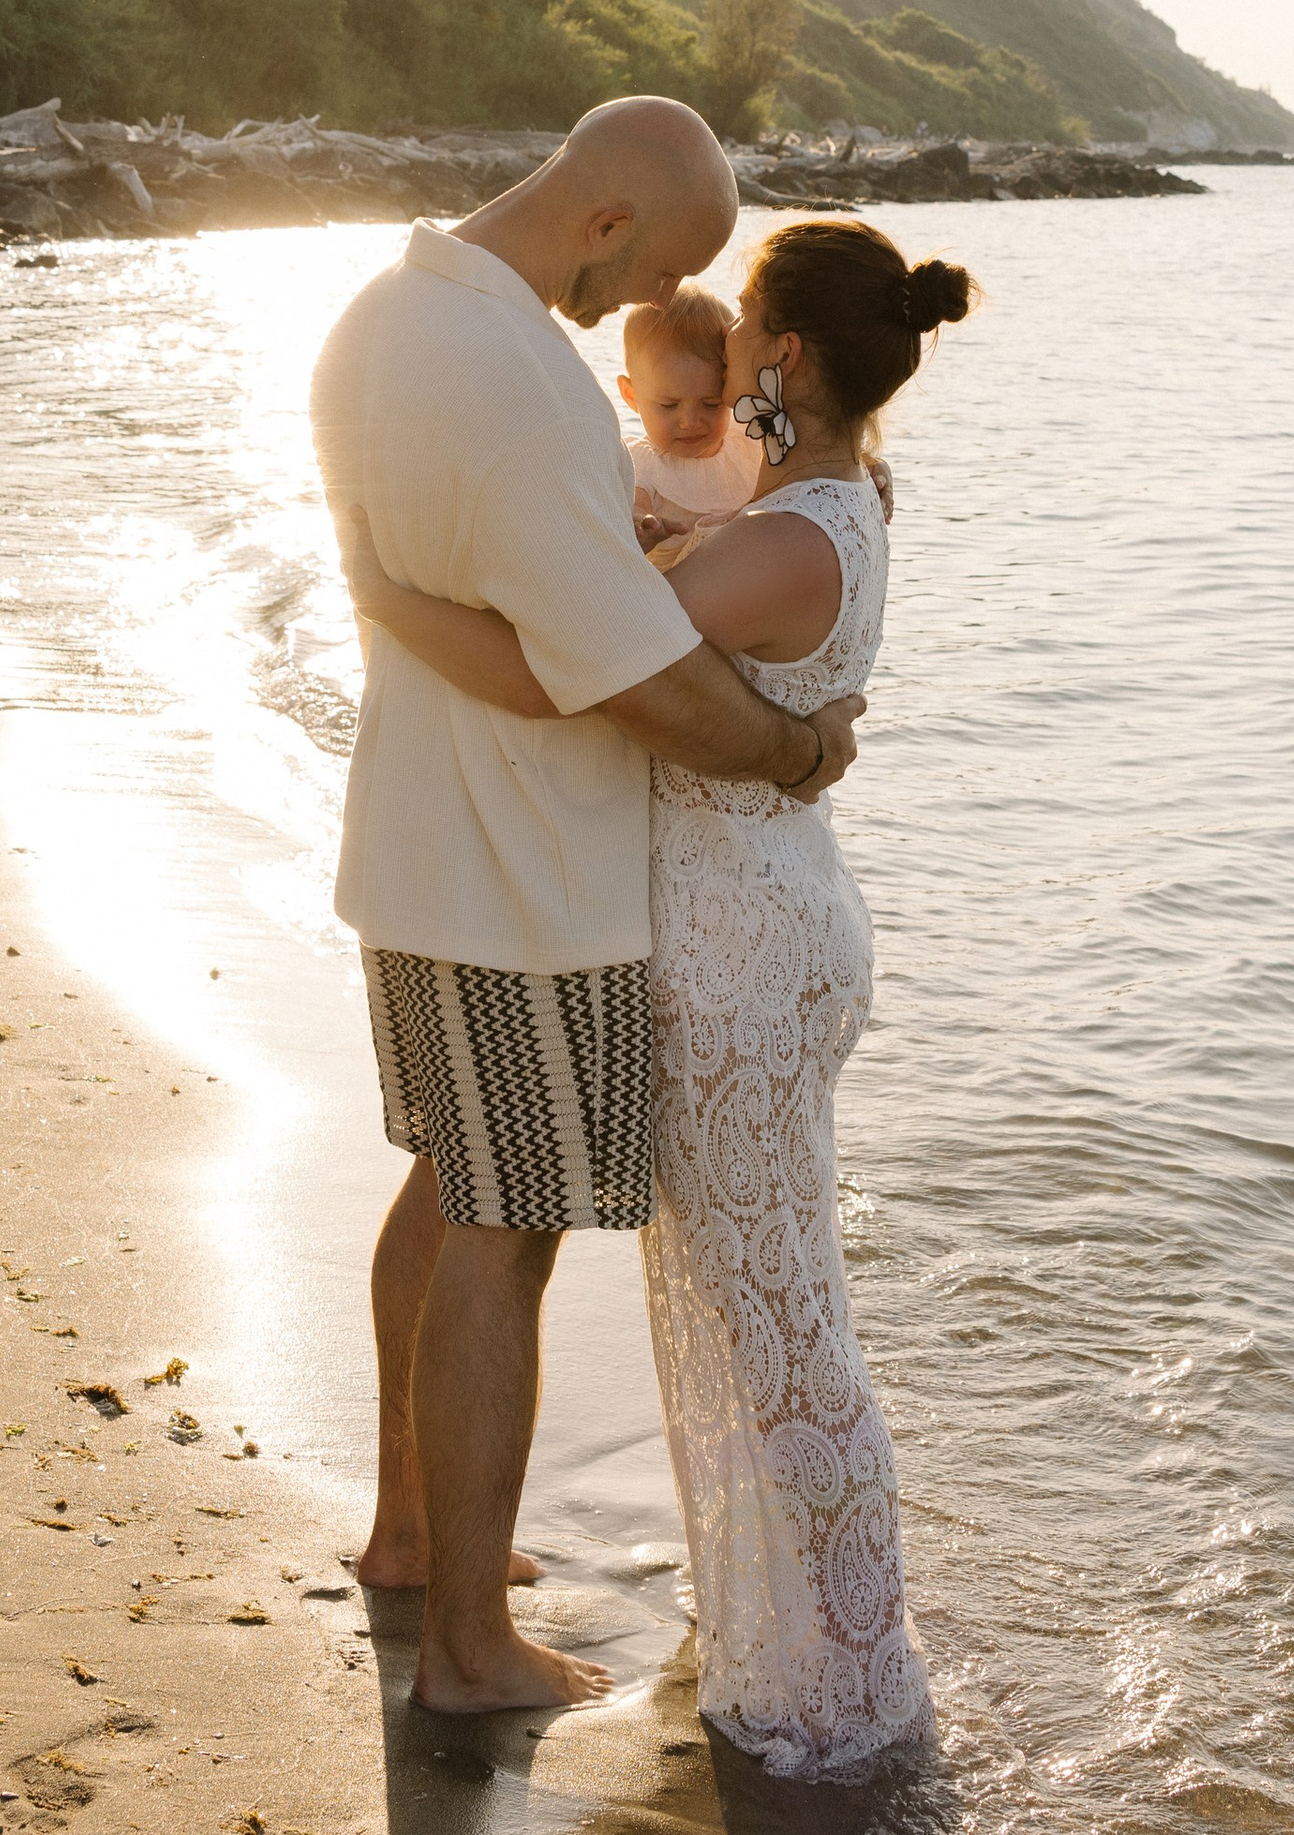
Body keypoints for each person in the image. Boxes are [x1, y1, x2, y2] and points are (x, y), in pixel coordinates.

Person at [339, 213, 975, 1780]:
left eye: (749, 323)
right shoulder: (824, 497)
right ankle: (777, 1624)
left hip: (747, 952)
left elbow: (583, 661)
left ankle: (838, 1673)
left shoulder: (787, 530)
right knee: (753, 1305)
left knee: (777, 1319)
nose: (729, 350)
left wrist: (390, 595)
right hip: (764, 922)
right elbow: (664, 581)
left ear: (791, 358)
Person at [620, 283, 764, 567]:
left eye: (711, 404)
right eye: (669, 406)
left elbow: (811, 460)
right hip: (679, 602)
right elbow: (636, 508)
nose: (690, 422)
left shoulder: (750, 438)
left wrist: (868, 464)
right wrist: (641, 527)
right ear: (631, 396)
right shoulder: (642, 465)